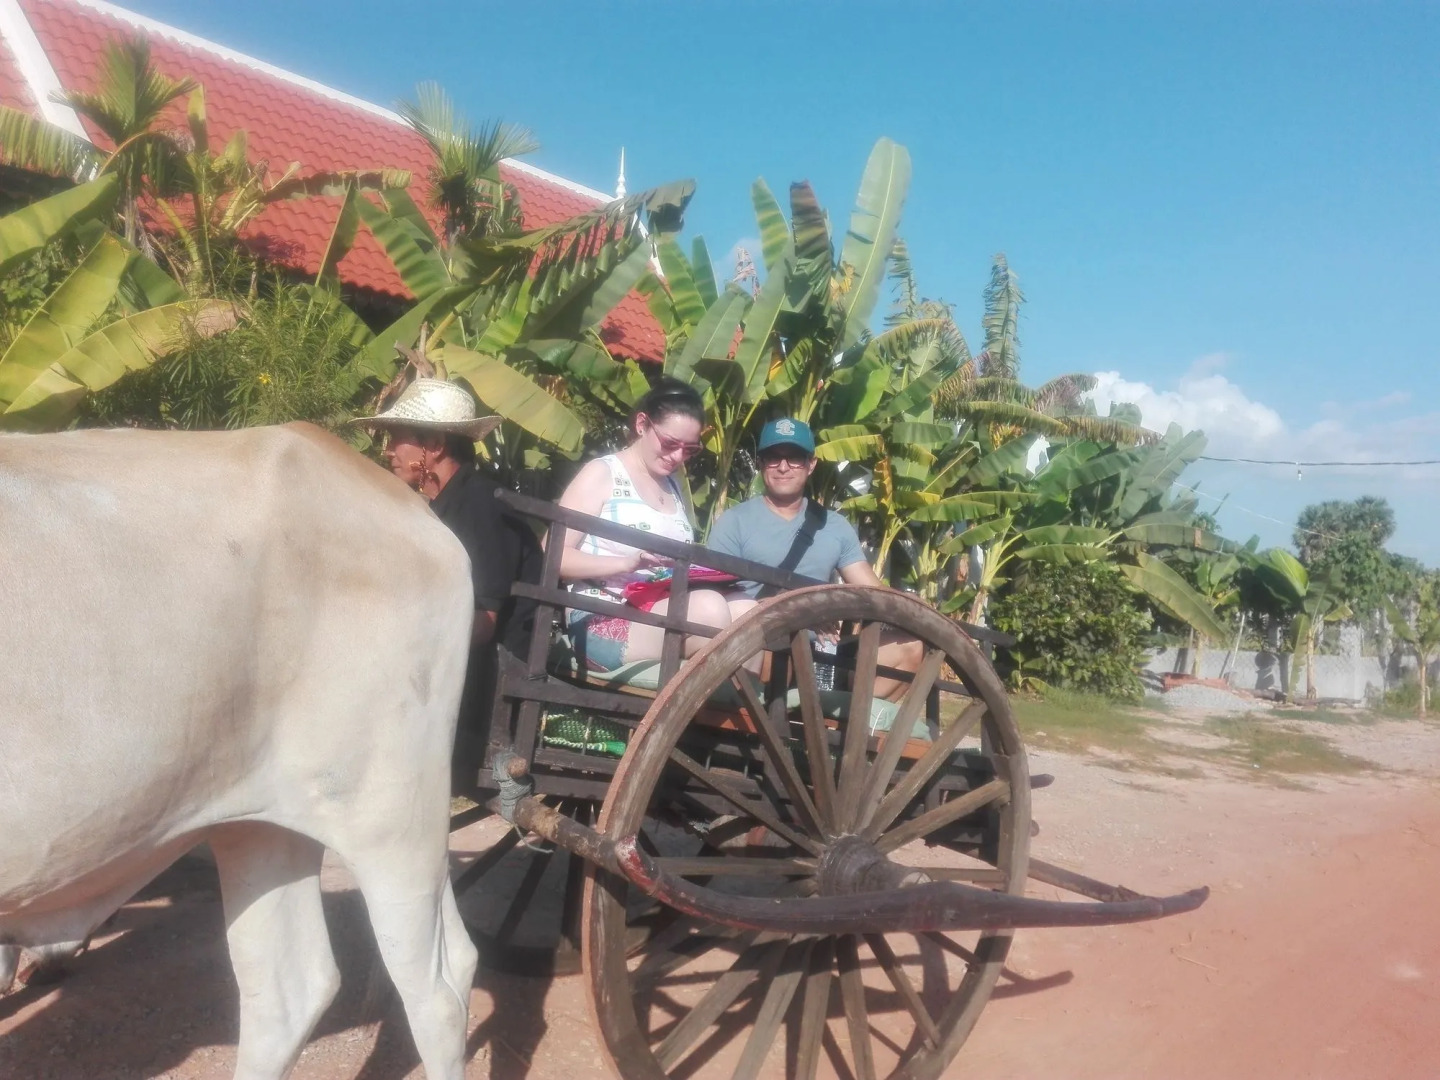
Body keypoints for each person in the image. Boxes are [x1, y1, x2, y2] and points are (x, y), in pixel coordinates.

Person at [354, 377, 542, 784]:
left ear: (434, 445)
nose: (387, 451)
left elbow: (483, 622)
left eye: (396, 440)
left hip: (493, 674)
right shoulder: (441, 505)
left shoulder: (481, 507)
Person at [707, 417, 924, 700]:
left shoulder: (834, 526)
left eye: (794, 458)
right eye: (773, 458)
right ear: (761, 464)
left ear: (811, 464)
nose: (783, 467)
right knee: (776, 642)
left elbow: (874, 593)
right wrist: (802, 613)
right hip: (761, 646)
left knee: (911, 646)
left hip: (822, 653)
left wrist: (916, 611)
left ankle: (854, 732)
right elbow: (716, 598)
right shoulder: (733, 522)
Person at [555, 377, 737, 672]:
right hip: (602, 615)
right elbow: (553, 554)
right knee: (708, 608)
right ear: (642, 424)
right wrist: (626, 563)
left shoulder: (674, 487)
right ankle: (711, 706)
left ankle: (731, 713)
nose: (677, 456)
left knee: (747, 611)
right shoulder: (602, 473)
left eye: (689, 449)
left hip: (659, 609)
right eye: (669, 443)